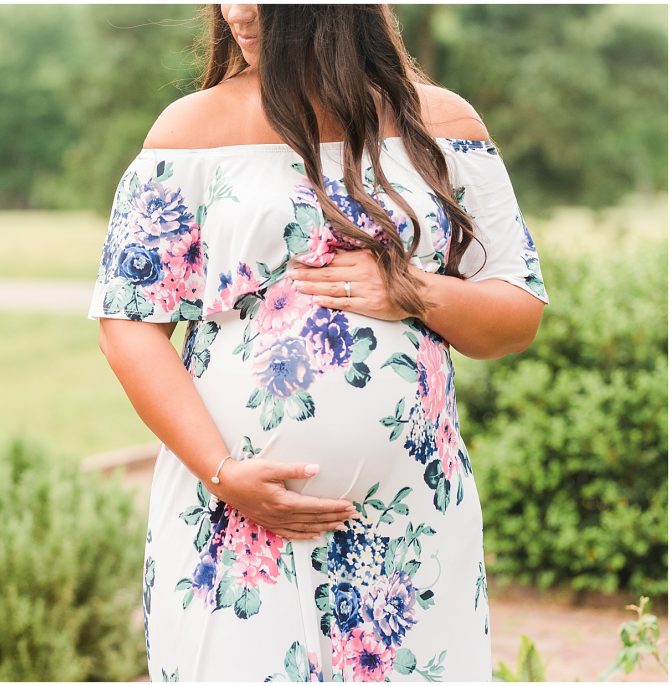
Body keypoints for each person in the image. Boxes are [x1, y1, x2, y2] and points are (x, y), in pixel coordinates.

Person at [86, 4, 549, 681]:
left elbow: (517, 313)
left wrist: (415, 291)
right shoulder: (192, 133)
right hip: (235, 526)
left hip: (410, 533)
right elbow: (127, 326)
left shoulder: (442, 125)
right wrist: (223, 472)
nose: (236, 10)